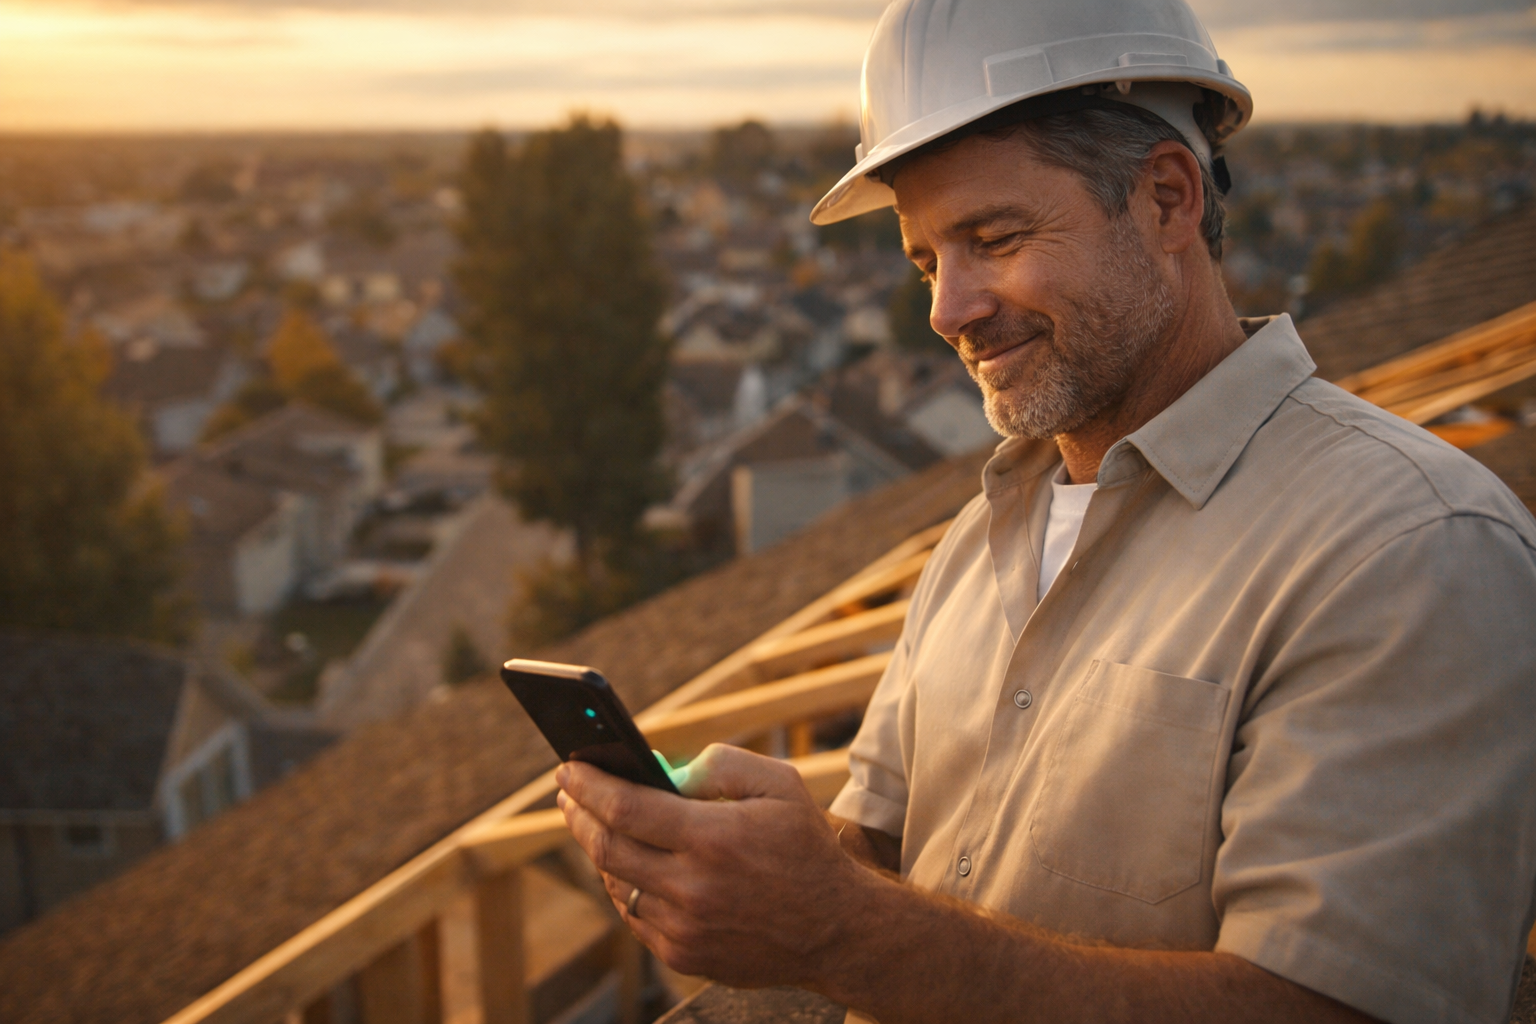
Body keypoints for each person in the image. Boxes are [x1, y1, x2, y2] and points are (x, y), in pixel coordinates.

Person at [557, 1, 1536, 1021]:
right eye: (929, 261)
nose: (948, 310)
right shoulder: (983, 536)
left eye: (994, 237)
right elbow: (891, 857)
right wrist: (764, 863)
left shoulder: (1409, 548)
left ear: (1167, 200)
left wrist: (840, 930)